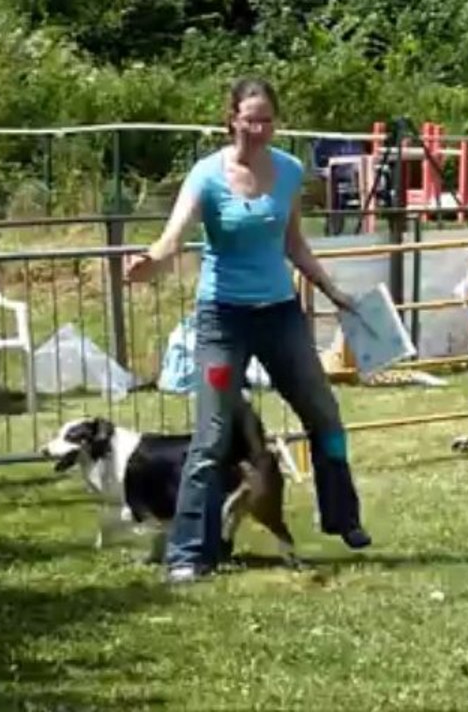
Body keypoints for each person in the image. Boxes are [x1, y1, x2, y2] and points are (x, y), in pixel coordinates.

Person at [124, 77, 371, 585]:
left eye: (267, 120)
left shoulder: (289, 170)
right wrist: (148, 263)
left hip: (280, 314)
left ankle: (344, 518)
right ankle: (191, 552)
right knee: (212, 437)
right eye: (250, 119)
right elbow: (174, 238)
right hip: (222, 320)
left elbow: (294, 243)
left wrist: (330, 289)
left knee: (324, 414)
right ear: (232, 119)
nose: (259, 129)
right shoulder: (207, 175)